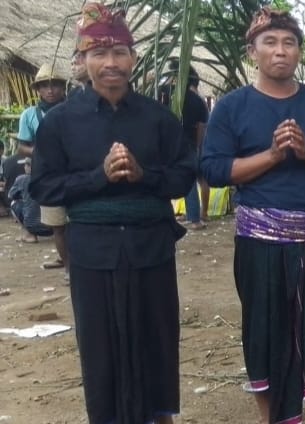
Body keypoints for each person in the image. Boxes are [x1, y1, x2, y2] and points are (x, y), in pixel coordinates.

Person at [29, 3, 196, 423]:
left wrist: (143, 174)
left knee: (157, 338)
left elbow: (182, 177)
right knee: (100, 345)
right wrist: (98, 177)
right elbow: (44, 186)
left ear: (133, 59)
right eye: (99, 54)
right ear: (82, 61)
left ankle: (162, 418)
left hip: (151, 246)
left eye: (120, 53)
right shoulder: (60, 122)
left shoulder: (159, 118)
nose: (110, 63)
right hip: (93, 251)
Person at [200, 7, 305, 424]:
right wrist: (272, 155)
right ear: (253, 51)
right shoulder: (233, 107)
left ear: (299, 51)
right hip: (260, 238)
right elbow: (214, 170)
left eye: (289, 43)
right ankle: (272, 415)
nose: (280, 51)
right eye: (269, 42)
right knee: (264, 325)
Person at [17, 64, 69, 272]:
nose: (50, 90)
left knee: (79, 221)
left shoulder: (75, 110)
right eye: (44, 86)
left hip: (75, 172)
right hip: (48, 175)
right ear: (37, 90)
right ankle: (68, 266)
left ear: (63, 88)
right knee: (57, 224)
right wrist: (42, 153)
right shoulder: (29, 115)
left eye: (55, 85)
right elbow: (22, 146)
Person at [161, 62, 211, 229]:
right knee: (190, 180)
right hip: (189, 142)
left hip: (168, 142)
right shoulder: (197, 100)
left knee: (163, 177)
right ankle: (195, 217)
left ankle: (170, 217)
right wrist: (196, 146)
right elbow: (201, 127)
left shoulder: (165, 93)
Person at [9, 157, 53, 242]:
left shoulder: (22, 179)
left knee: (14, 203)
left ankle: (29, 235)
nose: (24, 167)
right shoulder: (49, 178)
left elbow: (11, 195)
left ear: (30, 166)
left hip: (32, 225)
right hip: (54, 228)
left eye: (26, 164)